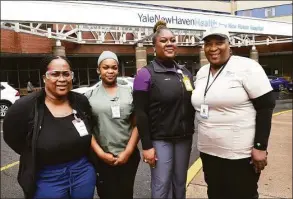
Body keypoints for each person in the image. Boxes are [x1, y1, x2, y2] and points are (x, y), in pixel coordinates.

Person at [191, 27, 276, 199]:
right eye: (208, 44)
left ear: (230, 45)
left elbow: (266, 107)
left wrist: (260, 147)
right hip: (209, 153)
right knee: (215, 193)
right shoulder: (202, 72)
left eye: (219, 42)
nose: (213, 48)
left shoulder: (247, 67)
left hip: (239, 155)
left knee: (243, 194)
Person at [3, 56, 96, 199]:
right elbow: (11, 136)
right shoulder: (25, 107)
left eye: (66, 74)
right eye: (55, 74)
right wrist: (35, 149)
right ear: (44, 78)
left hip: (82, 172)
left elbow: (91, 126)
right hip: (47, 177)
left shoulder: (80, 101)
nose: (62, 79)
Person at [133, 20, 195, 199]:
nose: (169, 44)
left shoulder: (184, 73)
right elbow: (140, 112)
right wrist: (147, 146)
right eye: (163, 40)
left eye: (173, 40)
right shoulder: (145, 74)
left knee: (180, 185)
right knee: (161, 187)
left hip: (184, 138)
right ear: (154, 46)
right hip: (161, 140)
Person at [86, 51, 140, 199]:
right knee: (106, 194)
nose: (110, 71)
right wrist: (101, 154)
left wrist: (127, 152)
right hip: (102, 158)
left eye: (114, 67)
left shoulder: (129, 93)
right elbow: (87, 130)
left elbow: (137, 125)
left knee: (126, 193)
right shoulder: (89, 97)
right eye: (105, 67)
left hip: (128, 157)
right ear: (98, 70)